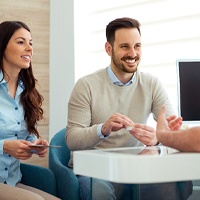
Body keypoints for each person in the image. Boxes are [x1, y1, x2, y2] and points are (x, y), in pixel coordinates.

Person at [66, 17, 192, 200]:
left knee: (177, 184)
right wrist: (103, 129)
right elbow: (72, 140)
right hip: (96, 170)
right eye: (125, 46)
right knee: (100, 193)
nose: (133, 53)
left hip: (135, 169)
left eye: (137, 46)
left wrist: (158, 138)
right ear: (109, 49)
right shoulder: (86, 86)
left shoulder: (151, 84)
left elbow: (173, 130)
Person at [0, 21, 60, 200]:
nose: (29, 48)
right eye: (21, 42)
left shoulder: (26, 91)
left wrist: (35, 144)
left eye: (31, 43)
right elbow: (7, 143)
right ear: (2, 46)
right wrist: (4, 146)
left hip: (11, 180)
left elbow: (22, 135)